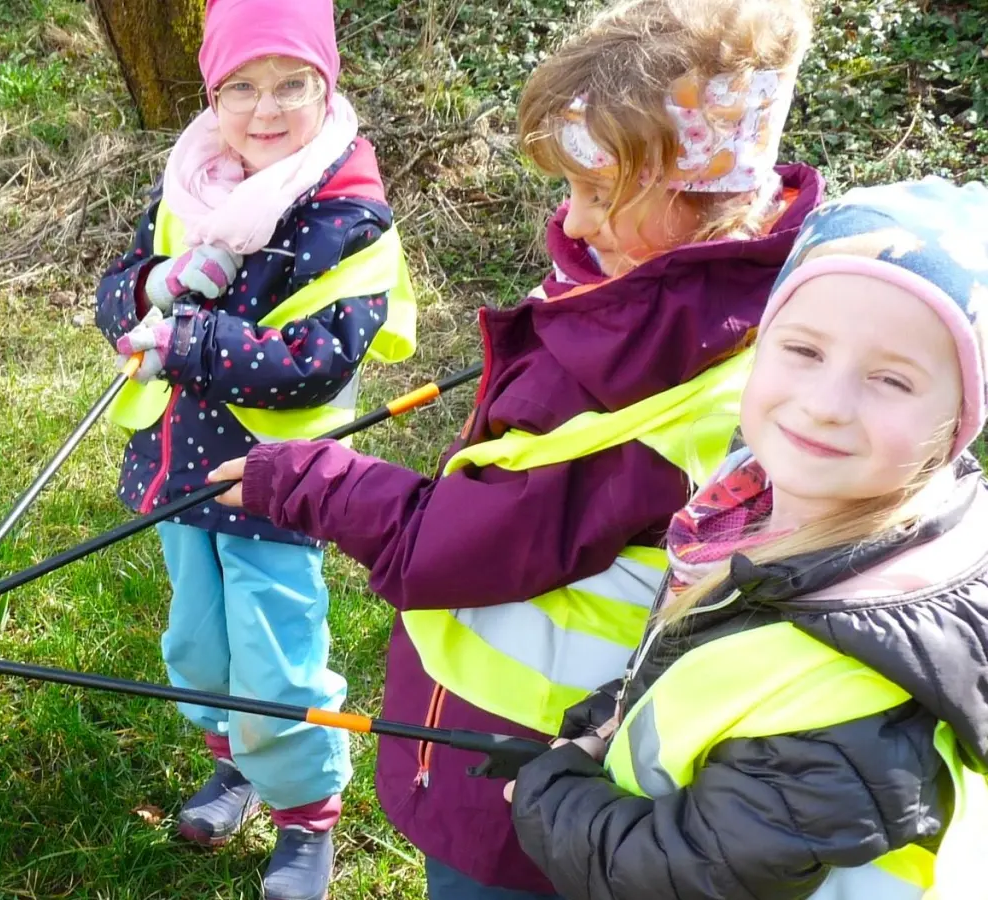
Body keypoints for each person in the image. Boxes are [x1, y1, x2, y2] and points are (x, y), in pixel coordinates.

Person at [208, 0, 822, 894]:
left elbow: (459, 541)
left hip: (526, 780)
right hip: (509, 750)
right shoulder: (659, 298)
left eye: (599, 194)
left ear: (706, 190)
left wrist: (308, 478)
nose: (570, 225)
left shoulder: (671, 381)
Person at [509, 176, 988, 900]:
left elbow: (691, 876)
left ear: (957, 421)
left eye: (891, 379)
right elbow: (706, 665)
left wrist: (546, 796)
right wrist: (608, 718)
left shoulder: (856, 690)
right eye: (801, 350)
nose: (824, 405)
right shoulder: (755, 505)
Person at [92, 0, 416, 896]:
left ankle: (306, 818)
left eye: (290, 85)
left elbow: (314, 366)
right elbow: (115, 292)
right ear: (211, 92)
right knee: (197, 648)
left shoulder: (348, 217)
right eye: (240, 87)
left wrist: (182, 341)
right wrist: (156, 285)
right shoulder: (192, 180)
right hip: (176, 466)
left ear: (327, 85)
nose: (264, 110)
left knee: (275, 661)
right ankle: (238, 764)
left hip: (275, 485)